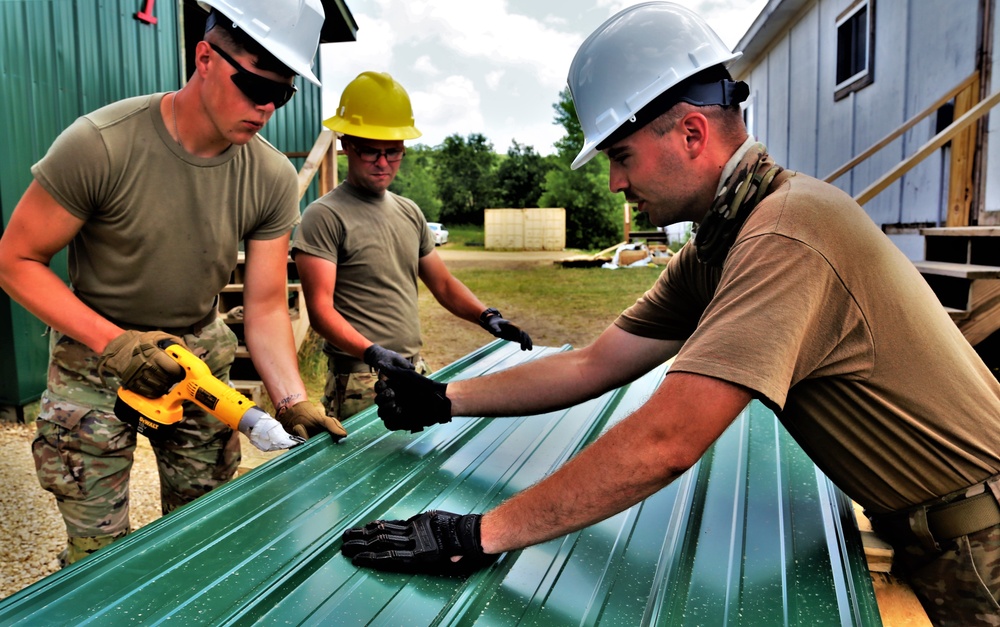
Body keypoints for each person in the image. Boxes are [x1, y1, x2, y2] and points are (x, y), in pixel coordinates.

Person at [339, 4, 1000, 625]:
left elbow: (665, 442)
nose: (614, 184)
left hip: (984, 538)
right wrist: (443, 398)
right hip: (940, 528)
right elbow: (594, 363)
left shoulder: (785, 235)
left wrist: (478, 533)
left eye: (620, 157)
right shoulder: (724, 244)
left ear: (690, 132)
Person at [0, 0, 346, 567]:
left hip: (200, 358)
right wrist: (113, 342)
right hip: (96, 359)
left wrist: (291, 401)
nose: (264, 109)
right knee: (95, 559)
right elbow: (16, 260)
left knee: (203, 539)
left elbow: (261, 308)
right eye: (253, 85)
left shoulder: (271, 177)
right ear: (205, 58)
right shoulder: (102, 144)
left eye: (280, 95)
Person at [291, 71, 532, 423]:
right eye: (371, 151)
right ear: (346, 145)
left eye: (394, 152)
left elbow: (444, 285)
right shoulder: (324, 216)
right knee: (370, 476)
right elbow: (321, 311)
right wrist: (372, 353)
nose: (383, 163)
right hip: (361, 378)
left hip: (413, 367)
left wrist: (488, 317)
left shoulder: (409, 211)